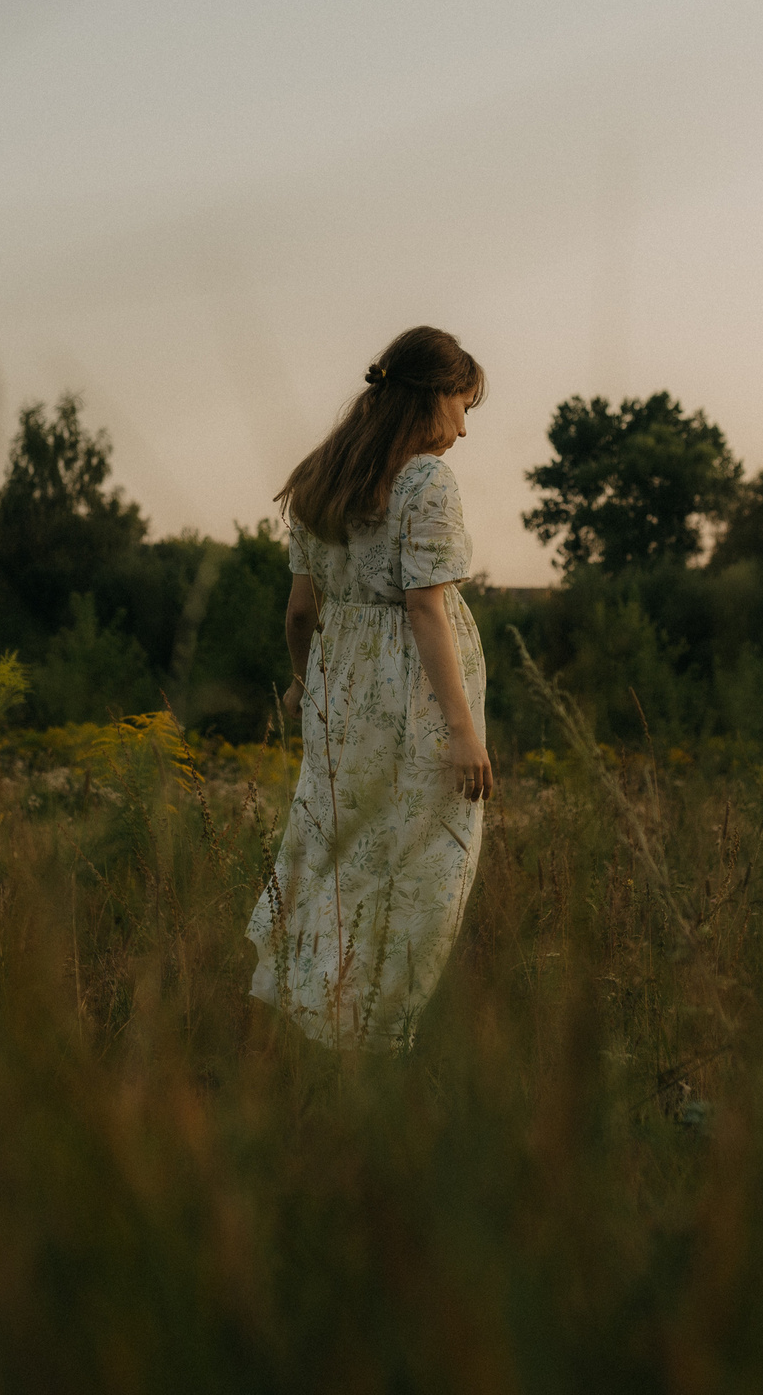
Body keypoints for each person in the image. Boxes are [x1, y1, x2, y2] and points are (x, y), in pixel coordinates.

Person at [247, 326, 492, 1051]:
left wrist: (302, 685)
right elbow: (425, 607)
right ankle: (373, 1037)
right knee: (420, 866)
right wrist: (463, 730)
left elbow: (300, 611)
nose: (464, 426)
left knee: (338, 851)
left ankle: (311, 1012)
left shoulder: (323, 474)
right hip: (411, 702)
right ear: (430, 396)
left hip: (338, 695)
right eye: (461, 402)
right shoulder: (425, 482)